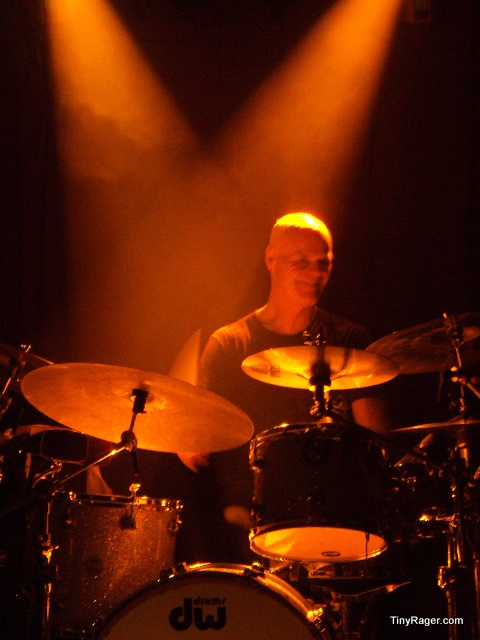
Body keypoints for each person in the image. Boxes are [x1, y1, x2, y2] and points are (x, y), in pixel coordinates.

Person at [178, 212, 391, 563]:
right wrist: (187, 436)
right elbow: (196, 435)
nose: (315, 273)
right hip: (246, 519)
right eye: (301, 261)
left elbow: (376, 440)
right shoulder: (230, 344)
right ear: (270, 259)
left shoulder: (349, 341)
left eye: (323, 263)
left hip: (334, 515)